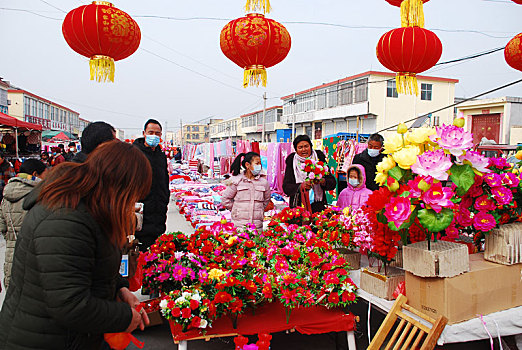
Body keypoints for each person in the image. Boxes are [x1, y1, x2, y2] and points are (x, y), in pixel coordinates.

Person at [0, 141, 152, 350]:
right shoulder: (65, 218)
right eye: (132, 195)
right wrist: (124, 316)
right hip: (44, 339)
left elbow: (86, 264)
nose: (131, 203)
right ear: (118, 185)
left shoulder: (89, 208)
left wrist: (120, 288)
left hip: (71, 337)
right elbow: (70, 304)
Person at [0, 159, 47, 290]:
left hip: (12, 255)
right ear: (35, 174)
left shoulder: (6, 195)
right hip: (35, 256)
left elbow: (2, 227)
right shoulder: (40, 195)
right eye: (45, 174)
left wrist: (12, 238)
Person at [133, 119, 169, 251]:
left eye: (157, 133)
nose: (154, 136)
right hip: (141, 211)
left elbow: (164, 180)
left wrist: (165, 199)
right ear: (144, 133)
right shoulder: (134, 154)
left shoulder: (160, 155)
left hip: (158, 212)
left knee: (157, 251)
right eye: (151, 132)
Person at [283, 135, 336, 213]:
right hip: (298, 206)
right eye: (300, 147)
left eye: (306, 146)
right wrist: (301, 186)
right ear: (296, 150)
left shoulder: (319, 158)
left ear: (311, 146)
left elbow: (332, 182)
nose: (304, 150)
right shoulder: (292, 162)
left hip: (318, 205)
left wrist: (322, 181)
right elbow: (286, 187)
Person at [221, 152, 271, 231]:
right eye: (257, 163)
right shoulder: (237, 181)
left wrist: (259, 210)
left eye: (260, 164)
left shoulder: (264, 183)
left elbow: (266, 200)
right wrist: (236, 210)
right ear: (247, 165)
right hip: (239, 225)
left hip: (257, 226)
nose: (259, 166)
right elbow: (225, 199)